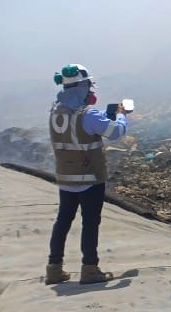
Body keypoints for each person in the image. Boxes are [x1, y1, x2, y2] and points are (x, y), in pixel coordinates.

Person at [45, 63, 128, 284]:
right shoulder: (88, 115)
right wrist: (121, 115)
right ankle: (90, 268)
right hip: (90, 178)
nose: (91, 91)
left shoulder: (56, 111)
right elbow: (115, 132)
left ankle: (54, 268)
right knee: (90, 223)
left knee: (62, 222)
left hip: (65, 178)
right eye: (89, 86)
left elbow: (80, 123)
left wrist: (103, 115)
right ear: (81, 87)